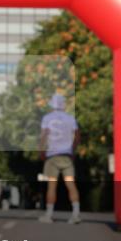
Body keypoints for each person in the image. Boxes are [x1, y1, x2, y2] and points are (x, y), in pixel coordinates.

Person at [37, 94, 81, 224]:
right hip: (66, 156)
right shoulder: (70, 118)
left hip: (52, 157)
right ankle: (76, 214)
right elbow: (78, 136)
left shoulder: (47, 118)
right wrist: (72, 150)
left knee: (52, 186)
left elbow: (44, 136)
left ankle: (49, 215)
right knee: (71, 185)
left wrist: (41, 152)